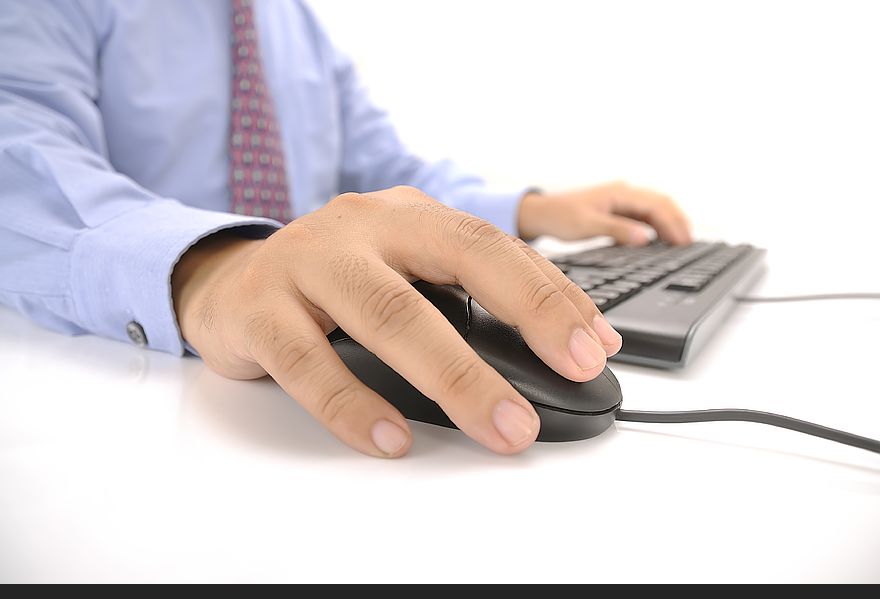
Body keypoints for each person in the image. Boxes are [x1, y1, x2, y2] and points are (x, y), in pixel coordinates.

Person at [0, 0, 691, 458]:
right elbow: (20, 161)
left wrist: (533, 208)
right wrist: (211, 265)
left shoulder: (290, 19)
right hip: (141, 401)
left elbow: (382, 168)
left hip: (312, 330)